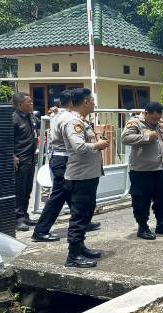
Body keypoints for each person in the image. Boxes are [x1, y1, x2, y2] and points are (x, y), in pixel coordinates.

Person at [62, 88, 110, 268]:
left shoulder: (82, 121)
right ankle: (73, 255)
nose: (94, 103)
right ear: (85, 102)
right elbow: (79, 147)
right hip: (80, 177)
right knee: (79, 216)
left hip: (88, 175)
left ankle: (80, 247)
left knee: (86, 213)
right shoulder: (73, 121)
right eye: (92, 100)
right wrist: (98, 145)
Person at [121, 101, 163, 240]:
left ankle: (161, 224)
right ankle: (143, 227)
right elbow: (125, 138)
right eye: (153, 118)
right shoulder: (135, 122)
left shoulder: (160, 123)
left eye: (158, 118)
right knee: (141, 200)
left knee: (162, 198)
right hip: (141, 170)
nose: (156, 121)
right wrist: (146, 137)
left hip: (160, 168)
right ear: (146, 114)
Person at [31, 90, 72, 242]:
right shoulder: (66, 117)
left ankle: (83, 221)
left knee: (69, 193)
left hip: (60, 158)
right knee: (59, 195)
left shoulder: (57, 114)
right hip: (62, 159)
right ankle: (40, 231)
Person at [12, 92, 37, 231]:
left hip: (30, 158)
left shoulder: (31, 117)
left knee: (27, 189)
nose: (32, 104)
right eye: (29, 102)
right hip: (19, 160)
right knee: (19, 190)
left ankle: (25, 215)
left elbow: (41, 125)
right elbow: (5, 139)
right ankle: (18, 219)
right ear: (20, 105)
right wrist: (12, 156)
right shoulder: (14, 119)